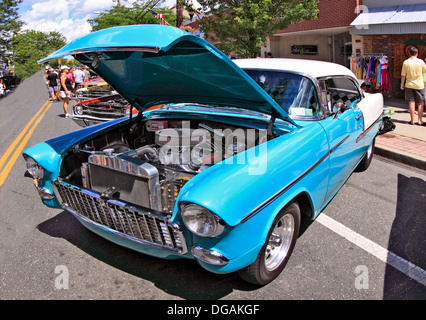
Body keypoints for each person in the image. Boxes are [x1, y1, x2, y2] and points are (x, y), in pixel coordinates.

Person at [401, 47, 426, 126]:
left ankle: (412, 120)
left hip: (409, 84)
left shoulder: (406, 62)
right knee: (420, 103)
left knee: (411, 102)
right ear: (417, 53)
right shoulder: (420, 62)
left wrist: (402, 84)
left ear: (409, 53)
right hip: (419, 85)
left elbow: (403, 75)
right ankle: (420, 120)